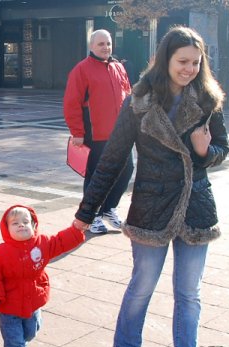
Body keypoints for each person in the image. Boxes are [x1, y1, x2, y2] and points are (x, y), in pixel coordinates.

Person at [73, 26, 228, 347]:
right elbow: (111, 161)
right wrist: (86, 211)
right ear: (164, 59)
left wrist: (206, 152)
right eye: (182, 61)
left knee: (189, 293)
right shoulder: (139, 100)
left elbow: (221, 148)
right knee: (143, 284)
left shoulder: (208, 99)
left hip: (195, 206)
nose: (189, 68)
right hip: (151, 206)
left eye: (195, 62)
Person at [0, 205, 85, 347]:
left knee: (31, 332)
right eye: (15, 223)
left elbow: (61, 241)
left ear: (34, 225)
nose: (21, 225)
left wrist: (76, 229)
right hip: (9, 306)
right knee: (15, 339)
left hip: (33, 301)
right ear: (6, 229)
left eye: (26, 222)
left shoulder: (42, 243)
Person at [64, 29, 134, 235]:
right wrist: (77, 132)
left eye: (108, 43)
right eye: (101, 44)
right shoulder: (81, 69)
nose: (106, 47)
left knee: (126, 170)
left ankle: (108, 209)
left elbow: (128, 96)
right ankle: (90, 216)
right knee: (95, 178)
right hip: (96, 134)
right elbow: (71, 103)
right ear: (91, 46)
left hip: (121, 133)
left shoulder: (118, 67)